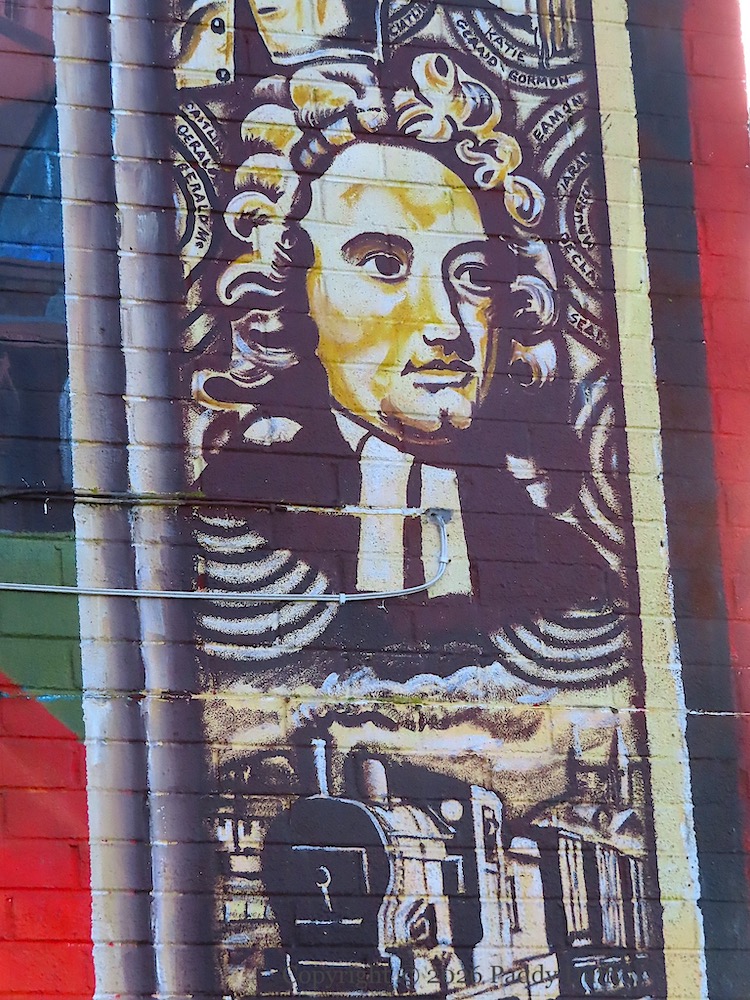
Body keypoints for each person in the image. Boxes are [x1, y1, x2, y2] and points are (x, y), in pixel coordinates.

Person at [189, 49, 632, 692]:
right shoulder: (229, 528)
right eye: (383, 264)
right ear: (290, 292)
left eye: (473, 276)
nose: (446, 326)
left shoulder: (569, 576)